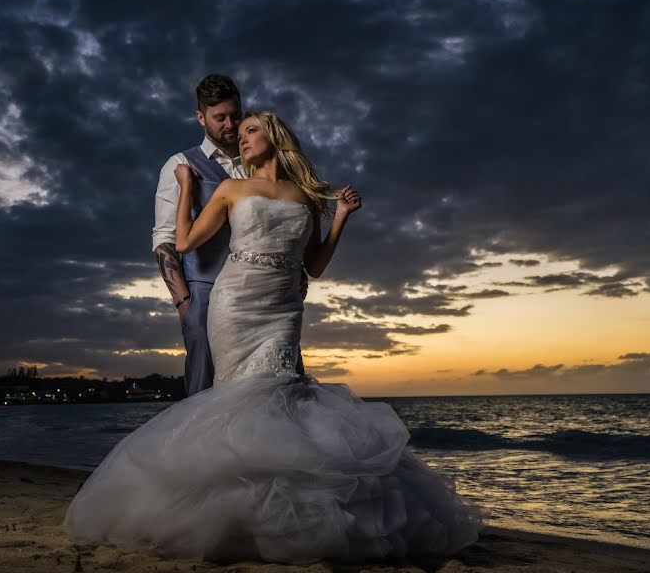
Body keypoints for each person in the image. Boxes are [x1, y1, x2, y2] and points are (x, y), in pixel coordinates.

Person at [65, 112, 485, 563]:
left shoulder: (304, 195)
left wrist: (340, 216)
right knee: (238, 398)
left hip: (283, 309)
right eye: (239, 132)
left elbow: (316, 266)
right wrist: (187, 185)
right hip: (235, 303)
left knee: (283, 392)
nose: (240, 138)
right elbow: (183, 242)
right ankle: (231, 510)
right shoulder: (230, 190)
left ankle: (279, 514)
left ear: (275, 136)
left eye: (250, 130)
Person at [151, 74, 246, 396]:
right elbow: (165, 238)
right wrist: (184, 304)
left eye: (236, 115)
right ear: (201, 117)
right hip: (204, 291)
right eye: (220, 118)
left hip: (256, 289)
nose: (230, 124)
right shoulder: (179, 165)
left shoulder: (259, 164)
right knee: (204, 392)